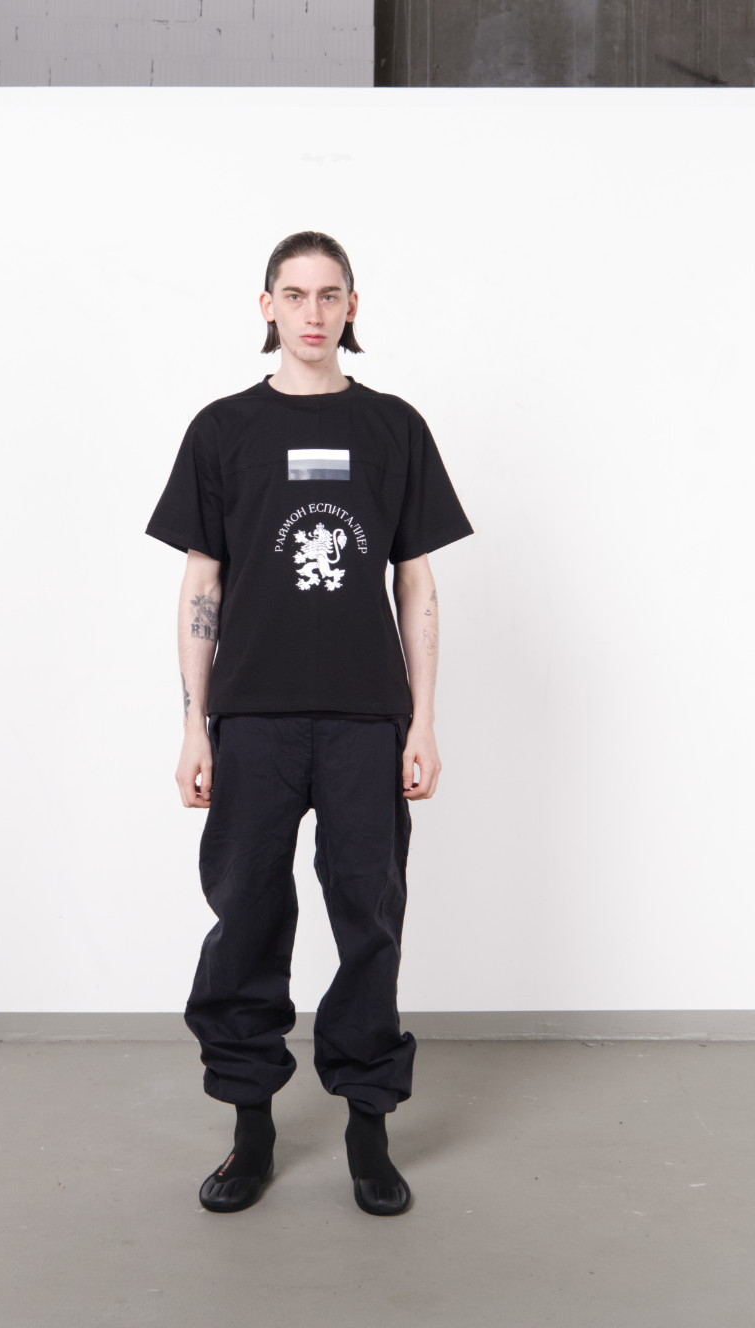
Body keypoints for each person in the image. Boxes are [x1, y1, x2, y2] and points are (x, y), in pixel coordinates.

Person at [145, 230, 473, 1218]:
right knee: (246, 915)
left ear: (353, 306)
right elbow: (200, 587)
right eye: (295, 294)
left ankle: (369, 1125)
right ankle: (251, 1126)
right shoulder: (222, 430)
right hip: (252, 718)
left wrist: (423, 720)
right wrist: (195, 727)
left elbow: (417, 584)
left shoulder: (393, 428)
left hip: (366, 719)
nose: (314, 312)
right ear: (267, 308)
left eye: (331, 294)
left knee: (369, 917)